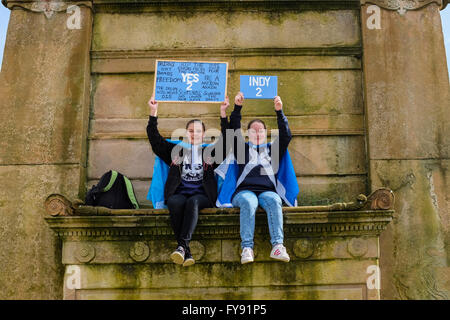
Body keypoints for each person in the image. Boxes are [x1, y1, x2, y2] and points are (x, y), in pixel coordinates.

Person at [147, 94, 230, 267]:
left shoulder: (210, 153)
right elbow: (156, 142)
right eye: (191, 131)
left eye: (198, 131)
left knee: (192, 202)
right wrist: (153, 113)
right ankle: (185, 249)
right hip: (179, 192)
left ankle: (182, 246)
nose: (194, 134)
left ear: (204, 134)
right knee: (175, 203)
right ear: (186, 133)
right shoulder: (175, 150)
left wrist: (223, 114)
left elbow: (228, 142)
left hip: (203, 195)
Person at [229, 92, 292, 264]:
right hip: (244, 192)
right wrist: (237, 107)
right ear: (248, 134)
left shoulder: (273, 149)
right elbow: (232, 131)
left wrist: (279, 112)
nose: (257, 133)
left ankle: (278, 246)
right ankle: (247, 248)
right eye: (253, 131)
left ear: (265, 133)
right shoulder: (241, 149)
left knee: (274, 201)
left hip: (267, 192)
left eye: (261, 130)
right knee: (249, 202)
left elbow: (286, 135)